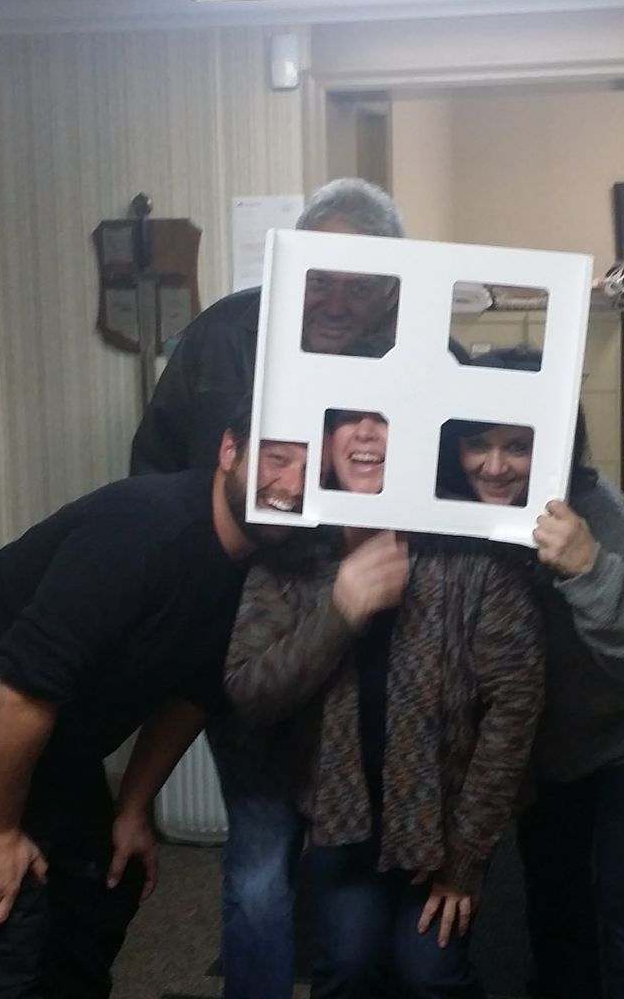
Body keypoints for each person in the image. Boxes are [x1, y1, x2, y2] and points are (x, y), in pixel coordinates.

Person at [0, 412, 300, 997]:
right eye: (277, 457)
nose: (292, 484)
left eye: (310, 469)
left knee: (102, 880)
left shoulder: (265, 568)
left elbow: (191, 696)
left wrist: (133, 807)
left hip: (47, 725)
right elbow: (20, 689)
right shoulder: (141, 532)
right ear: (229, 450)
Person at [129, 178, 408, 999]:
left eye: (361, 284)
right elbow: (157, 469)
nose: (337, 301)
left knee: (356, 850)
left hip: (372, 641)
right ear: (292, 264)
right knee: (258, 854)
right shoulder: (220, 337)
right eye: (322, 277)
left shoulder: (422, 348)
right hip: (244, 632)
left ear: (392, 287)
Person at [222, 408, 545, 999]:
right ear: (326, 439)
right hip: (341, 820)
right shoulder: (293, 549)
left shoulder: (470, 543)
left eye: (387, 417)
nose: (368, 432)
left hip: (445, 822)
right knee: (349, 964)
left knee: (430, 973)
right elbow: (250, 694)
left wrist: (466, 855)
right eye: (351, 417)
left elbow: (515, 708)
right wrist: (339, 612)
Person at [439, 348, 624, 999]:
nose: (494, 465)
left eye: (518, 445)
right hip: (559, 740)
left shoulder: (588, 504)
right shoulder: (450, 512)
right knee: (554, 886)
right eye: (478, 443)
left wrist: (588, 569)